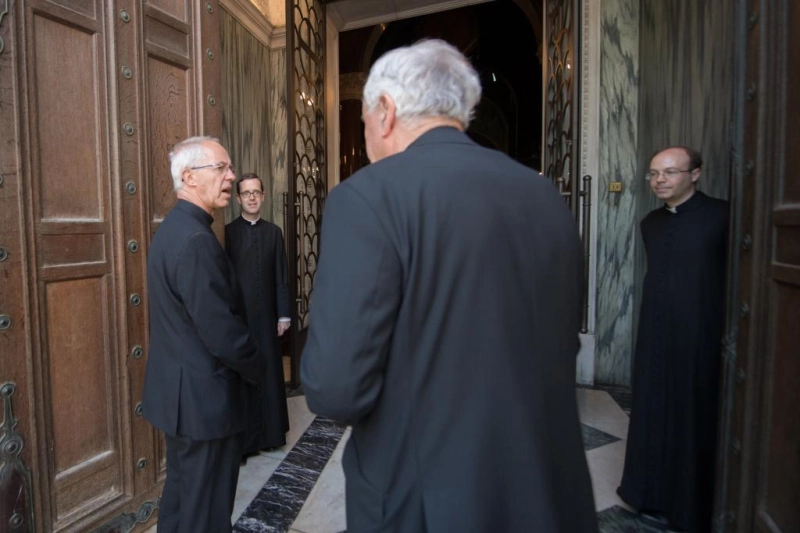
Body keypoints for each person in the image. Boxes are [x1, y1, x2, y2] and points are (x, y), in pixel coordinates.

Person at [300, 39, 598, 533]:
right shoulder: (543, 194)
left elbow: (336, 388)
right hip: (544, 485)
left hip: (425, 498)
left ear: (386, 112)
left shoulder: (369, 196)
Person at [141, 136, 264, 533]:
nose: (230, 176)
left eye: (230, 168)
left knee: (182, 503)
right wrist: (259, 366)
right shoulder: (196, 240)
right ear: (190, 177)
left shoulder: (173, 229)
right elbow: (221, 332)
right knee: (206, 514)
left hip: (182, 400)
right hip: (204, 404)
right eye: (222, 168)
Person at [618, 146, 729, 532]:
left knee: (689, 413)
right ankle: (647, 493)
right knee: (651, 408)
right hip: (655, 333)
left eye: (669, 173)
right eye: (653, 174)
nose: (659, 181)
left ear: (695, 174)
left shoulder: (722, 216)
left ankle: (686, 507)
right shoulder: (650, 222)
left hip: (699, 335)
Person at [225, 173, 292, 456]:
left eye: (256, 192)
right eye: (246, 193)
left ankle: (271, 434)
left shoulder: (274, 232)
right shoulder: (227, 233)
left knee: (268, 371)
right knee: (242, 375)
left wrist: (284, 316)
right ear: (238, 198)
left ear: (263, 196)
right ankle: (246, 441)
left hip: (267, 318)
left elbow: (281, 278)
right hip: (239, 319)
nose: (252, 197)